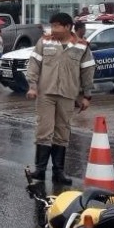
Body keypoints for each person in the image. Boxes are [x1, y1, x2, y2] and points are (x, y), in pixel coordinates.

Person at [25, 12, 96, 184]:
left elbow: (87, 72)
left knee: (62, 132)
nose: (53, 29)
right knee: (44, 130)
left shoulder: (82, 46)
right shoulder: (45, 41)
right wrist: (32, 86)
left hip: (67, 95)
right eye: (52, 25)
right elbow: (34, 65)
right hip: (46, 93)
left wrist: (86, 96)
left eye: (57, 26)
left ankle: (58, 172)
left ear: (67, 27)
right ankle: (40, 170)